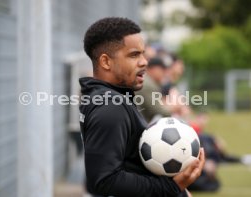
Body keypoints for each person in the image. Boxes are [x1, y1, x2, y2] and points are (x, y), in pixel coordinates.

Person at [79, 17, 205, 197]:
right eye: (134, 55)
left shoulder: (112, 98)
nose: (144, 61)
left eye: (143, 54)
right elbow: (105, 180)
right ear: (106, 62)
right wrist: (171, 187)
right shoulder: (110, 107)